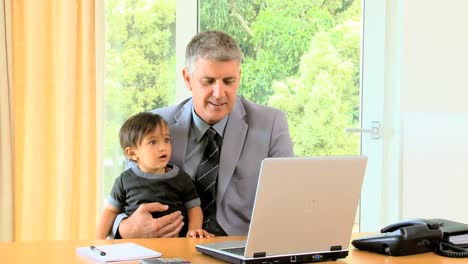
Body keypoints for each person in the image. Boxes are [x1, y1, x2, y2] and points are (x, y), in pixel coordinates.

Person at [110, 30, 294, 238]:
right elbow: (122, 197)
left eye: (228, 81)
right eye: (208, 81)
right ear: (188, 79)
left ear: (239, 77)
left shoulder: (271, 124)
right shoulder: (154, 128)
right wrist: (126, 228)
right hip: (170, 248)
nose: (219, 93)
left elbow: (288, 201)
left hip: (240, 247)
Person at [97, 112, 213, 239]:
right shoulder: (124, 180)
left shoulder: (181, 178)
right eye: (153, 142)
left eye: (166, 140)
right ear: (132, 153)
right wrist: (99, 243)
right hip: (134, 246)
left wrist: (194, 229)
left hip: (174, 245)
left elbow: (194, 208)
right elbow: (110, 211)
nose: (163, 147)